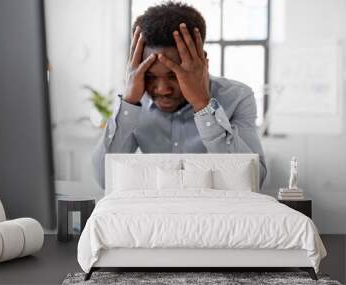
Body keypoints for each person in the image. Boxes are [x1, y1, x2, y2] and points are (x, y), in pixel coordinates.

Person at [92, 1, 267, 190]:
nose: (162, 89)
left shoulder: (237, 97)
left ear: (202, 63)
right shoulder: (133, 102)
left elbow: (253, 182)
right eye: (150, 77)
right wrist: (129, 103)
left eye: (174, 75)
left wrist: (202, 104)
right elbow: (104, 179)